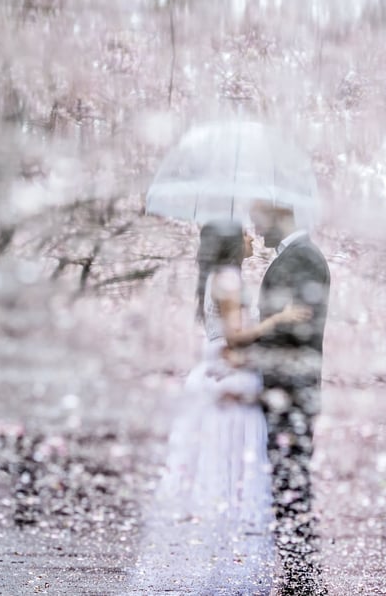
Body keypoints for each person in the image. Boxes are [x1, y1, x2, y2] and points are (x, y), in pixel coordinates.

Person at [127, 219, 310, 596]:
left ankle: (213, 566)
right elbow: (235, 336)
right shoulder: (227, 279)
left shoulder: (219, 277)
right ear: (230, 242)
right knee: (229, 471)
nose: (251, 237)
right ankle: (222, 572)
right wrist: (279, 318)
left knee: (216, 470)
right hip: (228, 381)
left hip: (221, 375)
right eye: (244, 233)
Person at [249, 199, 331, 596]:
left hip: (291, 393)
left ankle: (301, 582)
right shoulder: (296, 257)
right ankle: (297, 576)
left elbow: (295, 332)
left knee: (291, 481)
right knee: (286, 480)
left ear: (282, 214)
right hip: (284, 391)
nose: (255, 226)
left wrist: (249, 340)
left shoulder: (304, 259)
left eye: (259, 217)